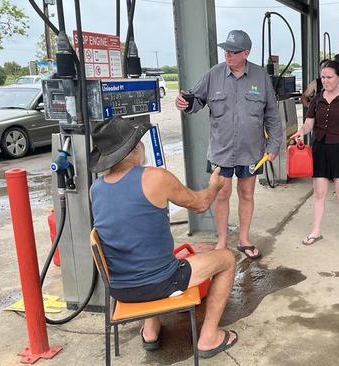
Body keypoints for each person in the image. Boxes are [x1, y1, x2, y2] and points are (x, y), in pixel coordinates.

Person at [90, 117, 237, 358]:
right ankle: (210, 337)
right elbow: (200, 204)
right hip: (160, 282)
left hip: (120, 290)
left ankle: (150, 329)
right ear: (135, 148)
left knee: (146, 253)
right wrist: (215, 186)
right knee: (226, 259)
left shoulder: (96, 189)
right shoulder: (155, 177)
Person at [175, 30, 283, 259]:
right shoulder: (214, 75)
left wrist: (273, 145)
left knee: (246, 193)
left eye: (233, 51)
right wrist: (184, 102)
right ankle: (222, 240)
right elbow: (196, 100)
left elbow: (272, 114)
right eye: (226, 50)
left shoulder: (260, 76)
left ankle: (244, 239)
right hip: (221, 150)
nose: (228, 55)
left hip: (251, 150)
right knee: (221, 195)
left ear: (246, 53)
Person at [290, 60, 339, 247]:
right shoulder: (317, 100)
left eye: (329, 77)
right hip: (320, 149)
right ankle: (315, 231)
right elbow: (308, 124)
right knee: (319, 193)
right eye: (323, 77)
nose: (326, 81)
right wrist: (301, 131)